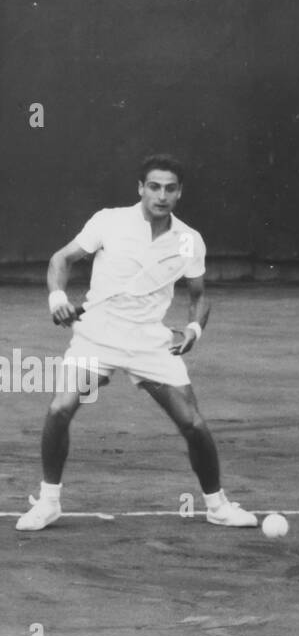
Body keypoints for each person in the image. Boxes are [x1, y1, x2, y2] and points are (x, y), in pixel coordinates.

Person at [16, 154, 256, 531]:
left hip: (149, 342)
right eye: (154, 187)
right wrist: (57, 298)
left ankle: (218, 505)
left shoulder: (188, 240)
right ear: (141, 188)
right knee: (60, 408)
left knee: (193, 423)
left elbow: (198, 295)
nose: (161, 195)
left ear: (179, 193)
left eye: (170, 189)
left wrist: (194, 329)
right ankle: (48, 503)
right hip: (97, 335)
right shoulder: (109, 221)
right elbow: (61, 259)